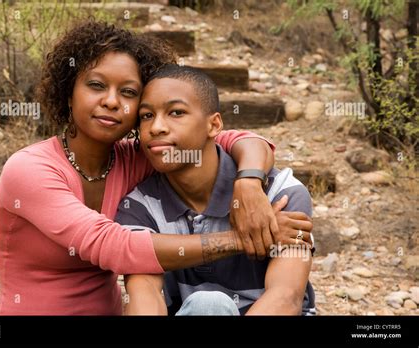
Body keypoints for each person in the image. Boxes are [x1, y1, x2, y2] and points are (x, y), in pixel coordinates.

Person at [0, 21, 282, 315]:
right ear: (69, 93)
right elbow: (114, 246)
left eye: (129, 92)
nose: (111, 101)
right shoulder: (30, 169)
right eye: (96, 85)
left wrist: (248, 181)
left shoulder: (134, 158)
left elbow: (233, 139)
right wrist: (238, 239)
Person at [116, 65, 315, 315]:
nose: (156, 127)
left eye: (176, 112)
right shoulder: (139, 206)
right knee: (207, 306)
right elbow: (144, 295)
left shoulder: (281, 193)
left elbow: (286, 297)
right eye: (146, 116)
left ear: (214, 124)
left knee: (210, 305)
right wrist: (240, 240)